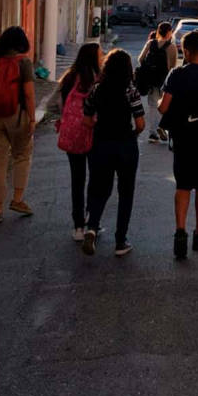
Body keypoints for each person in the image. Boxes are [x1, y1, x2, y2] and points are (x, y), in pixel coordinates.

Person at [157, 30, 198, 259]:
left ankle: (179, 233)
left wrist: (163, 100)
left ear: (188, 52)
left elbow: (163, 108)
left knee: (183, 185)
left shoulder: (176, 74)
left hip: (183, 135)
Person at [82, 48, 145, 257]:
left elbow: (86, 119)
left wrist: (97, 124)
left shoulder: (97, 89)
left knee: (100, 188)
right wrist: (134, 133)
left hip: (101, 144)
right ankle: (120, 241)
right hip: (125, 145)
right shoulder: (130, 90)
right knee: (126, 193)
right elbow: (140, 123)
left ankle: (92, 227)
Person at [0, 26, 36, 224]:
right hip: (16, 114)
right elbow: (28, 94)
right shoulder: (24, 62)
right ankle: (18, 200)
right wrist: (32, 118)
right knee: (22, 155)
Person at [57, 42, 102, 242]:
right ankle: (92, 222)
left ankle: (78, 226)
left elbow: (59, 104)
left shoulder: (68, 78)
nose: (102, 57)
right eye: (100, 54)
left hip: (73, 134)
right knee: (95, 180)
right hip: (93, 134)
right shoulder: (97, 79)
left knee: (77, 180)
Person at [138, 22, 177, 142]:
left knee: (152, 106)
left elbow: (140, 59)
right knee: (166, 105)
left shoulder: (151, 43)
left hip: (151, 80)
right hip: (164, 81)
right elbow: (173, 66)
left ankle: (152, 132)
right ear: (169, 32)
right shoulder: (171, 47)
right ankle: (161, 126)